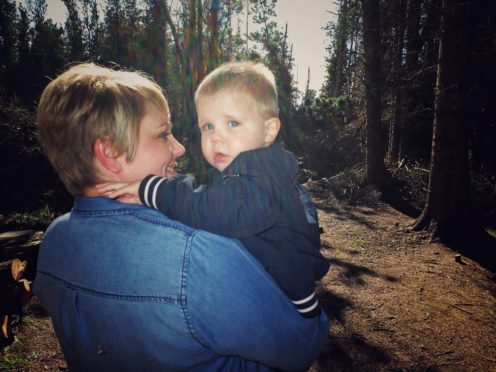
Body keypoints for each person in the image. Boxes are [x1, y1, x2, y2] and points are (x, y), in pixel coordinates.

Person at [33, 63, 329, 371]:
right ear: (111, 152)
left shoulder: (54, 241)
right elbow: (302, 346)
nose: (180, 147)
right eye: (163, 134)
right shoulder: (197, 255)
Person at [99, 61, 330, 318]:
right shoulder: (245, 169)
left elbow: (222, 209)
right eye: (208, 126)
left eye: (232, 123)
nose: (216, 137)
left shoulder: (264, 172)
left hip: (288, 295)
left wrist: (153, 190)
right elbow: (203, 188)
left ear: (268, 130)